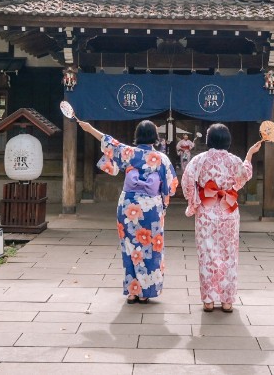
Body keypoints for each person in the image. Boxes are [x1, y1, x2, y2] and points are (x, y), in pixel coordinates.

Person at [77, 119, 178, 304]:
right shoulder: (162, 159)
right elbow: (171, 187)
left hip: (129, 206)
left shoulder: (128, 152)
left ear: (137, 135)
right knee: (150, 248)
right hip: (150, 208)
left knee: (130, 248)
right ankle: (146, 291)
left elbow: (108, 141)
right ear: (155, 137)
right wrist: (163, 203)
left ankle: (132, 291)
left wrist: (89, 128)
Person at [182, 123, 262, 313]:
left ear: (209, 139)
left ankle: (208, 301)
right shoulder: (234, 160)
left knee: (207, 254)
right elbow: (244, 176)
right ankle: (227, 301)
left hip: (206, 211)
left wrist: (193, 203)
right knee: (229, 255)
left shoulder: (200, 159)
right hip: (228, 209)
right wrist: (249, 154)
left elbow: (187, 180)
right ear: (227, 140)